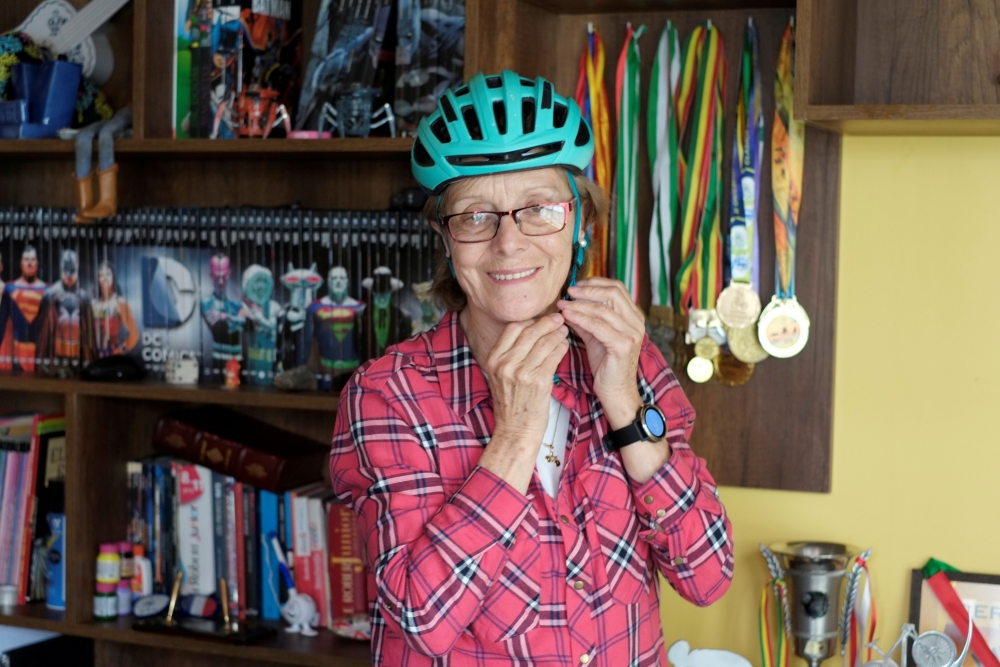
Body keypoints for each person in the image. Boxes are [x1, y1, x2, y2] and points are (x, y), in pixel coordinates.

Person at [329, 70, 733, 666]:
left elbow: (708, 575)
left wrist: (624, 403)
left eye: (539, 209)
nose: (509, 243)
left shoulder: (626, 355)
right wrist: (516, 434)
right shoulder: (388, 393)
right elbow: (420, 619)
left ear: (580, 223)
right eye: (475, 216)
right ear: (445, 238)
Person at [0, 246, 47, 371]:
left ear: (37, 263)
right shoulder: (10, 289)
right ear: (21, 263)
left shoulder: (47, 291)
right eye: (26, 259)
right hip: (17, 354)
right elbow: (1, 325)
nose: (30, 263)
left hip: (40, 355)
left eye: (33, 259)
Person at [92, 260, 139, 357]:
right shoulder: (94, 304)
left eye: (108, 274)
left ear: (113, 277)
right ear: (98, 278)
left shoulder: (120, 303)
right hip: (94, 356)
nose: (105, 278)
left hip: (112, 355)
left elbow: (134, 335)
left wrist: (119, 351)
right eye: (101, 275)